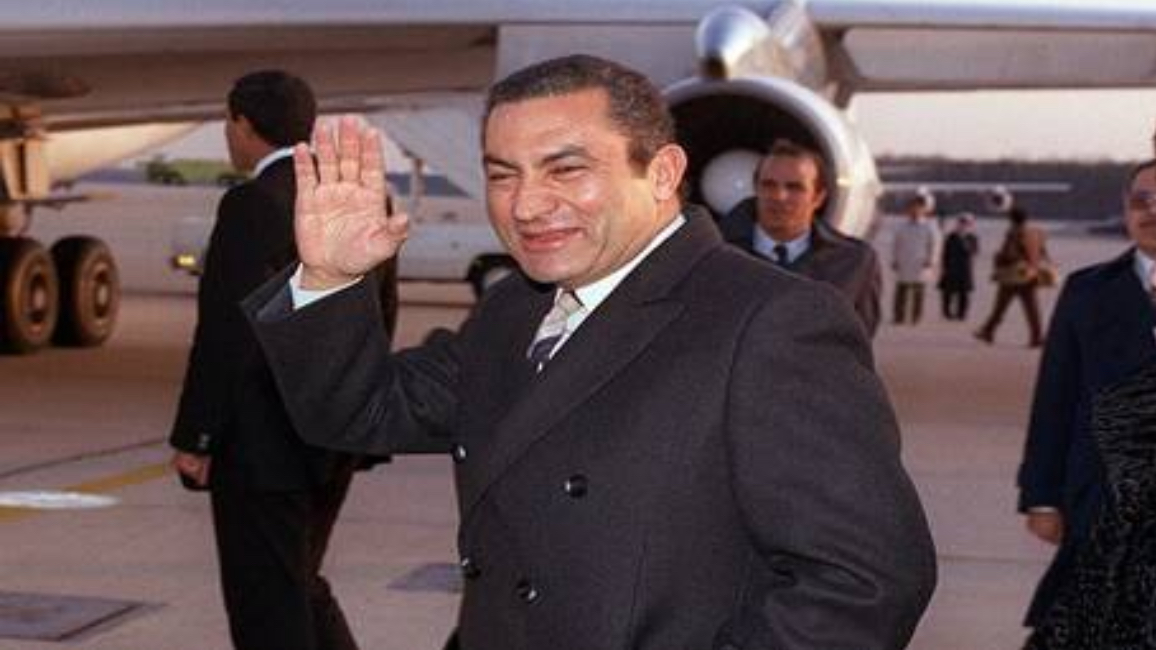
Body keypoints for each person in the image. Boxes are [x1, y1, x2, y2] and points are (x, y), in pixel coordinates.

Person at [244, 55, 936, 649]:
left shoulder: (769, 321)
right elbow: (360, 411)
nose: (526, 205)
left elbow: (866, 579)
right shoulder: (513, 310)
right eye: (503, 175)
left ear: (662, 173)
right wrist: (329, 278)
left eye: (566, 169)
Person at [169, 70, 393, 650]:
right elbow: (382, 314)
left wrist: (196, 435)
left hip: (263, 444)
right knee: (301, 582)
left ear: (242, 124)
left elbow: (229, 332)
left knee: (267, 603)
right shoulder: (359, 195)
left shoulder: (252, 203)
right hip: (335, 436)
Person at [1015, 159, 1156, 629]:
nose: (1154, 210)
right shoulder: (1087, 292)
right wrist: (1041, 496)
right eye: (1142, 199)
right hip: (1100, 502)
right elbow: (1055, 401)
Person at [718, 138, 882, 337]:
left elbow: (858, 345)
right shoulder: (715, 256)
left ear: (818, 197)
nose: (779, 196)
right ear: (756, 189)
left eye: (795, 187)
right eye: (769, 185)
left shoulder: (854, 263)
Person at [974, 206, 1051, 347]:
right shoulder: (1036, 232)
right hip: (1031, 274)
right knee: (1032, 308)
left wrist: (998, 258)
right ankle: (1037, 336)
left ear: (1012, 219)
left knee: (1000, 306)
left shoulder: (1014, 233)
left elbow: (1009, 253)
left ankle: (988, 331)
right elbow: (1043, 252)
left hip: (1014, 275)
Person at [890, 195, 941, 325]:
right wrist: (894, 259)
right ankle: (899, 316)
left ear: (923, 209)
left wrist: (931, 260)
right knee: (902, 289)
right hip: (904, 260)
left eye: (918, 207)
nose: (914, 210)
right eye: (912, 207)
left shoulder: (929, 227)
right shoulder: (901, 226)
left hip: (921, 262)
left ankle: (915, 317)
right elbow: (896, 244)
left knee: (918, 291)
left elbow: (935, 245)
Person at [937, 212, 979, 321]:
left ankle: (962, 313)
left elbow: (974, 251)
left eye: (966, 223)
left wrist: (965, 242)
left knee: (964, 293)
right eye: (962, 222)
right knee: (948, 292)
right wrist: (943, 266)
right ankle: (947, 313)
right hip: (951, 267)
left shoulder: (972, 237)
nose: (963, 225)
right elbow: (945, 252)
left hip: (965, 268)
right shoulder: (951, 236)